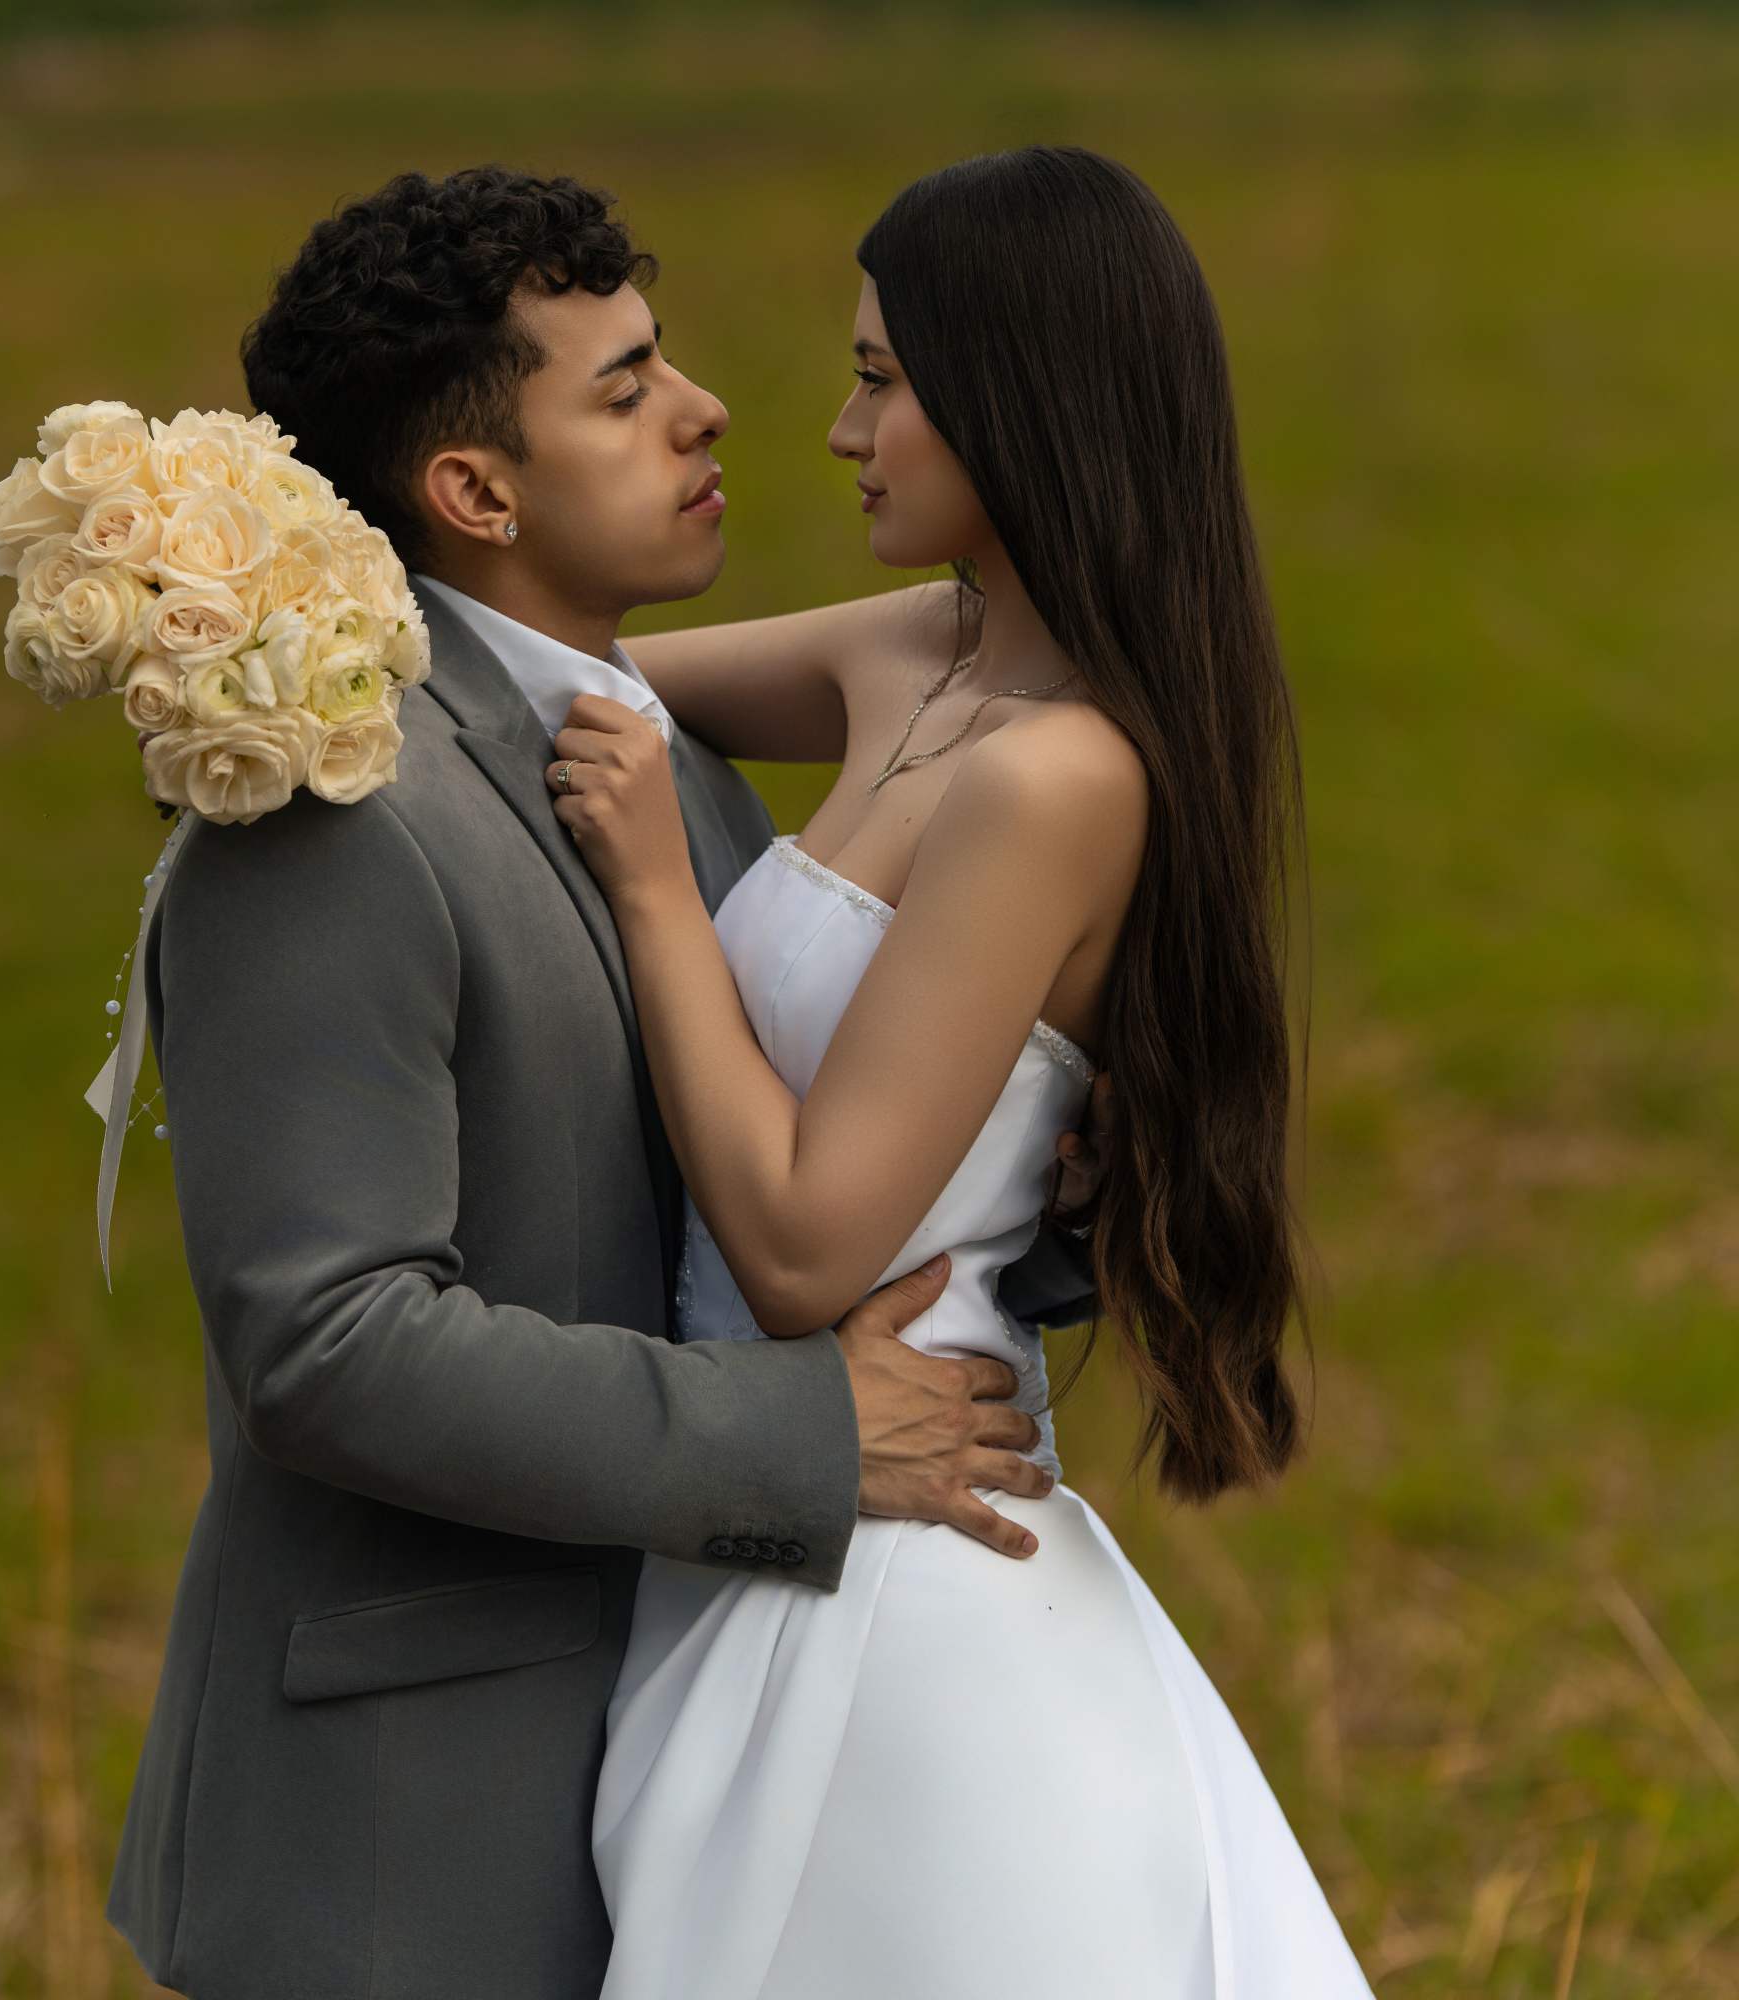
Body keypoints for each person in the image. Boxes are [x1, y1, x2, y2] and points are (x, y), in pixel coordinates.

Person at [102, 164, 1103, 1999]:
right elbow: (327, 1344)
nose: (710, 406)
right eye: (626, 388)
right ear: (476, 492)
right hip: (414, 1827)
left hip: (691, 1748)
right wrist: (803, 1437)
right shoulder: (335, 814)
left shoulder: (639, 746)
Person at [550, 147, 1375, 1995]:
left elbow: (800, 1245)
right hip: (770, 1505)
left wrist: (665, 894)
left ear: (1019, 399)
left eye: (880, 380)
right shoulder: (918, 658)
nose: (841, 430)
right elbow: (562, 682)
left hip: (902, 1571)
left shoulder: (1055, 777)